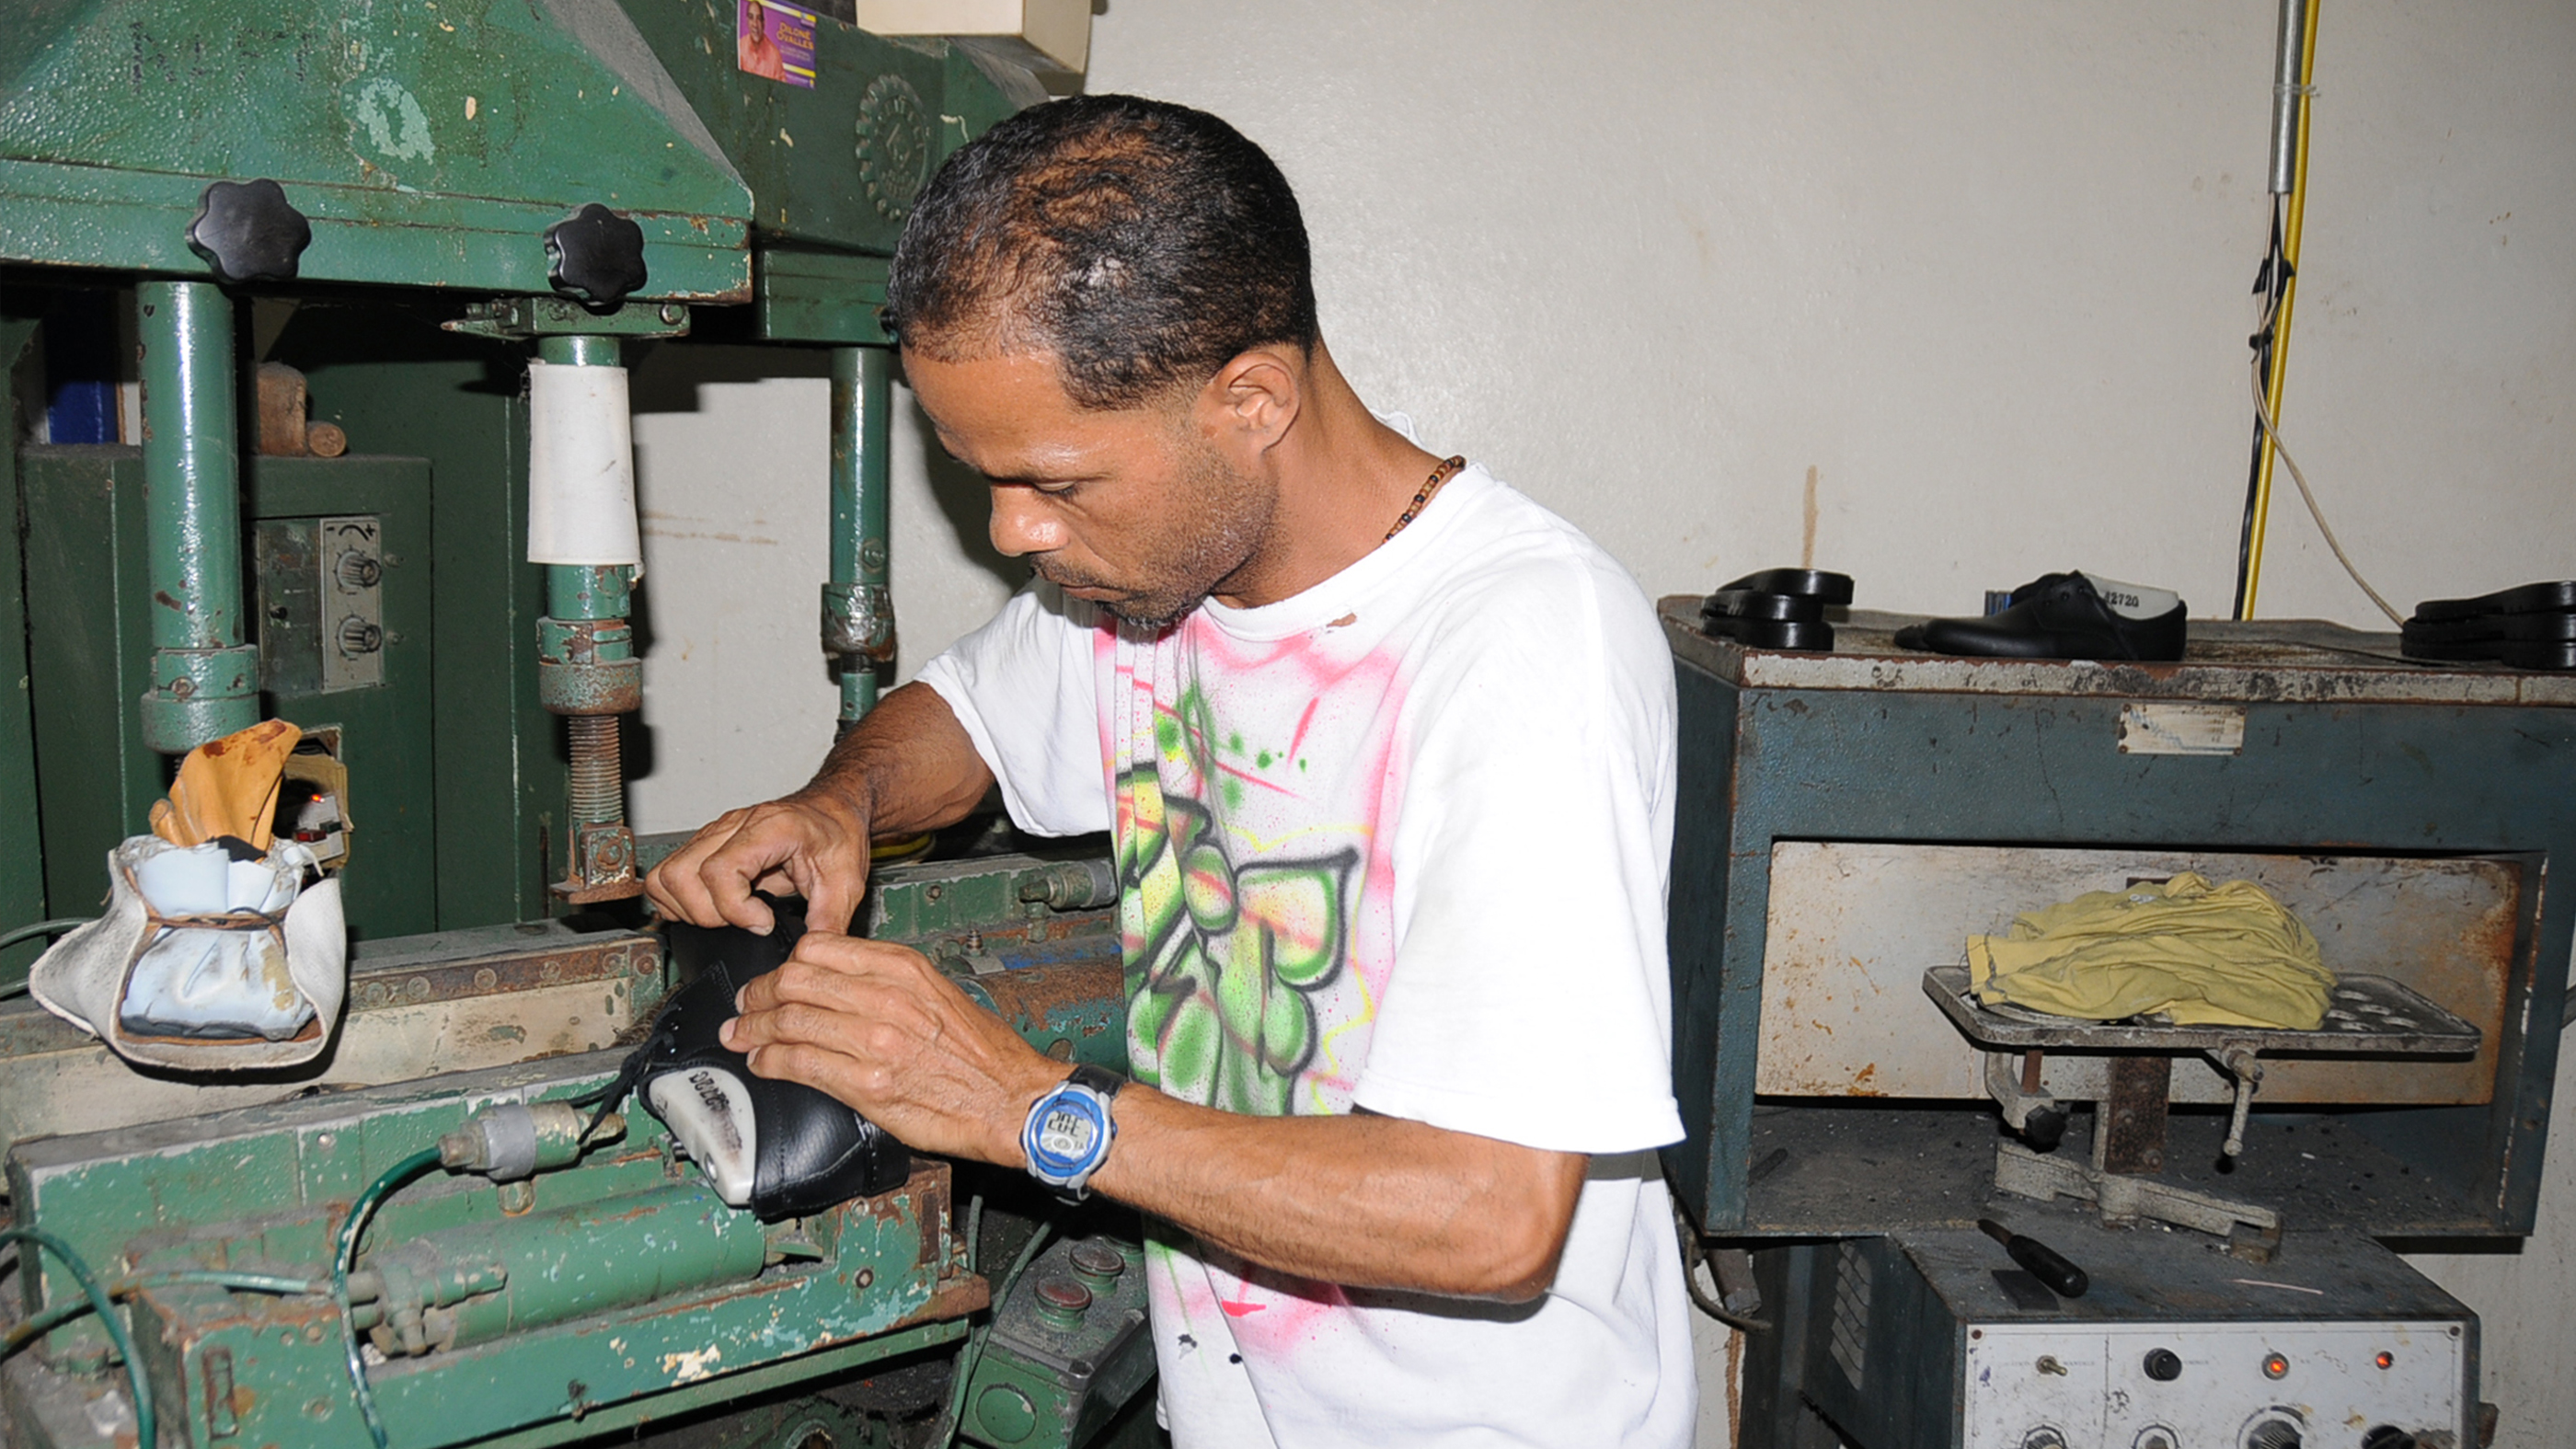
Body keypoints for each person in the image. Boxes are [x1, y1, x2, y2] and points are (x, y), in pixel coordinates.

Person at [646, 95, 1695, 1446]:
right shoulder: (1150, 586)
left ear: (1252, 399)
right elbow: (964, 716)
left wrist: (1021, 1106)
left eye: (1054, 481)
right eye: (977, 474)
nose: (1011, 531)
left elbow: (1486, 1213)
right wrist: (840, 801)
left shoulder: (1524, 648)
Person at [737, 1, 787, 82]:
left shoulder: (774, 56)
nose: (755, 24)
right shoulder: (740, 48)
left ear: (764, 23)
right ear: (747, 21)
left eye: (759, 19)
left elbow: (782, 88)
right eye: (751, 18)